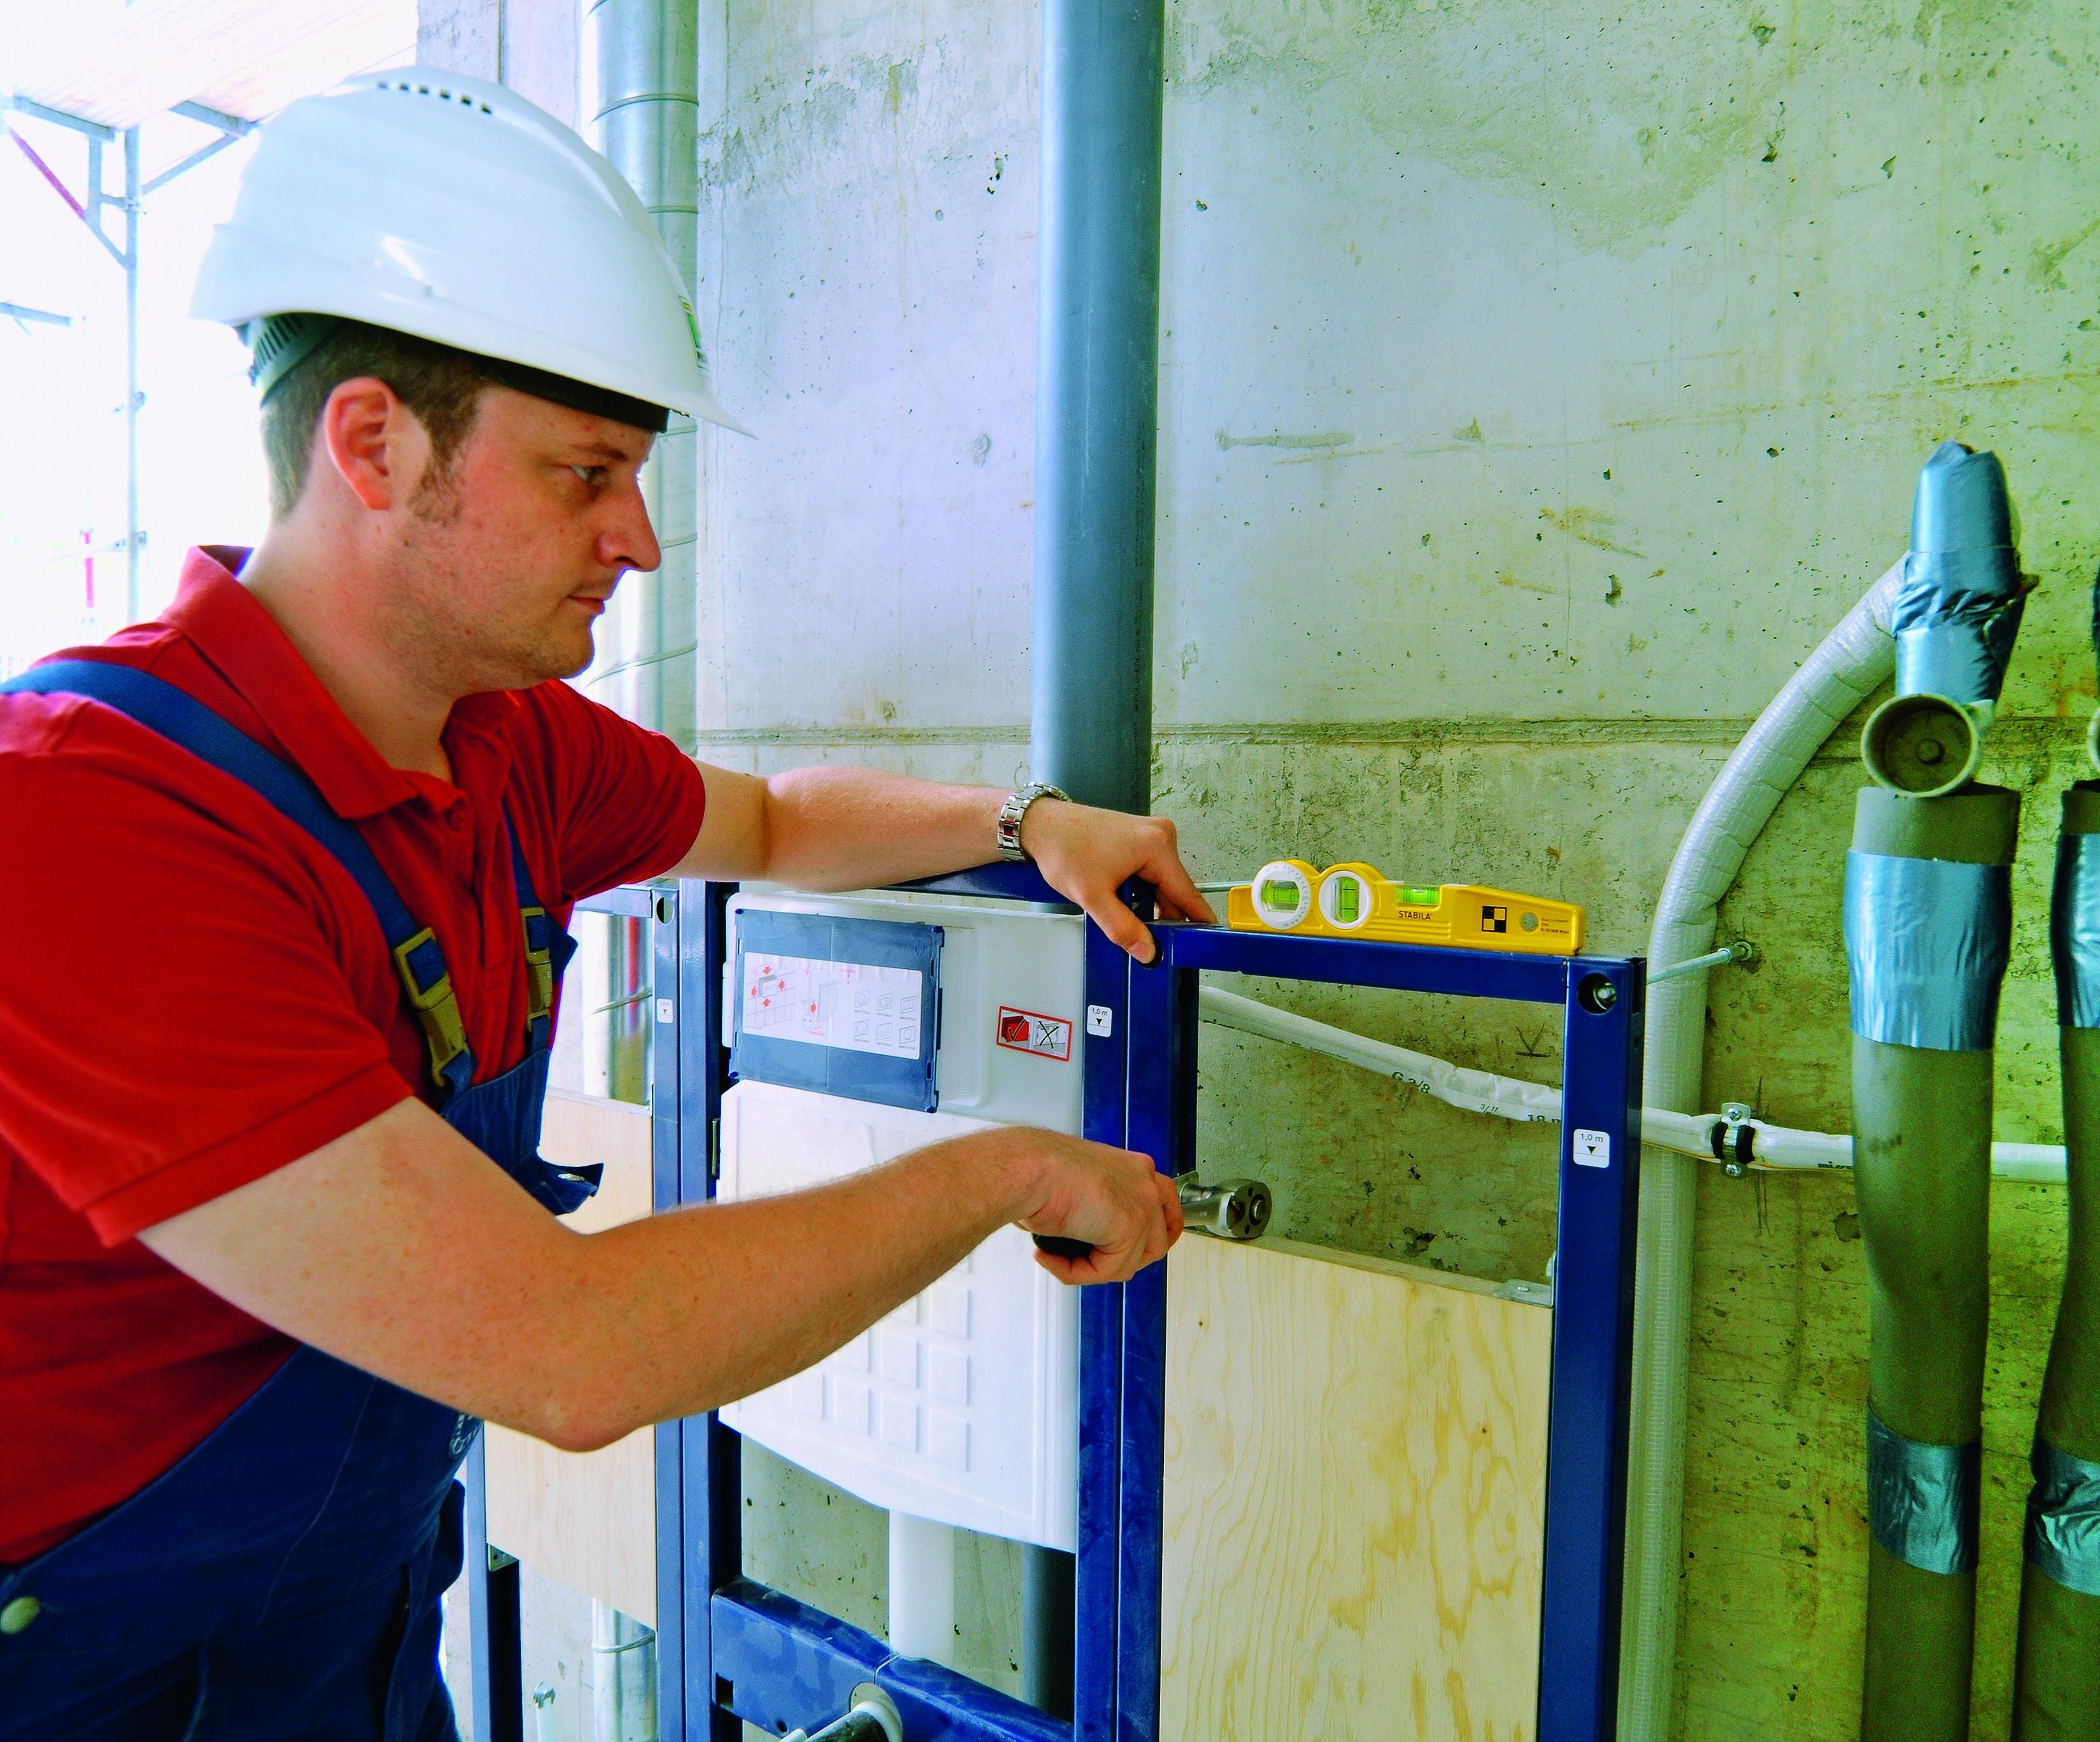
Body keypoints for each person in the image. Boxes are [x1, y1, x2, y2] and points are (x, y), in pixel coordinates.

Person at [0, 69, 1207, 1741]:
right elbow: (564, 1350)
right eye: (586, 473)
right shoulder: (86, 824)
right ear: (372, 443)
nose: (639, 538)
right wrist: (1012, 1168)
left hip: (339, 1638)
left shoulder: (504, 741)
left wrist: (1029, 822)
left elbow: (772, 822)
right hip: (81, 1675)